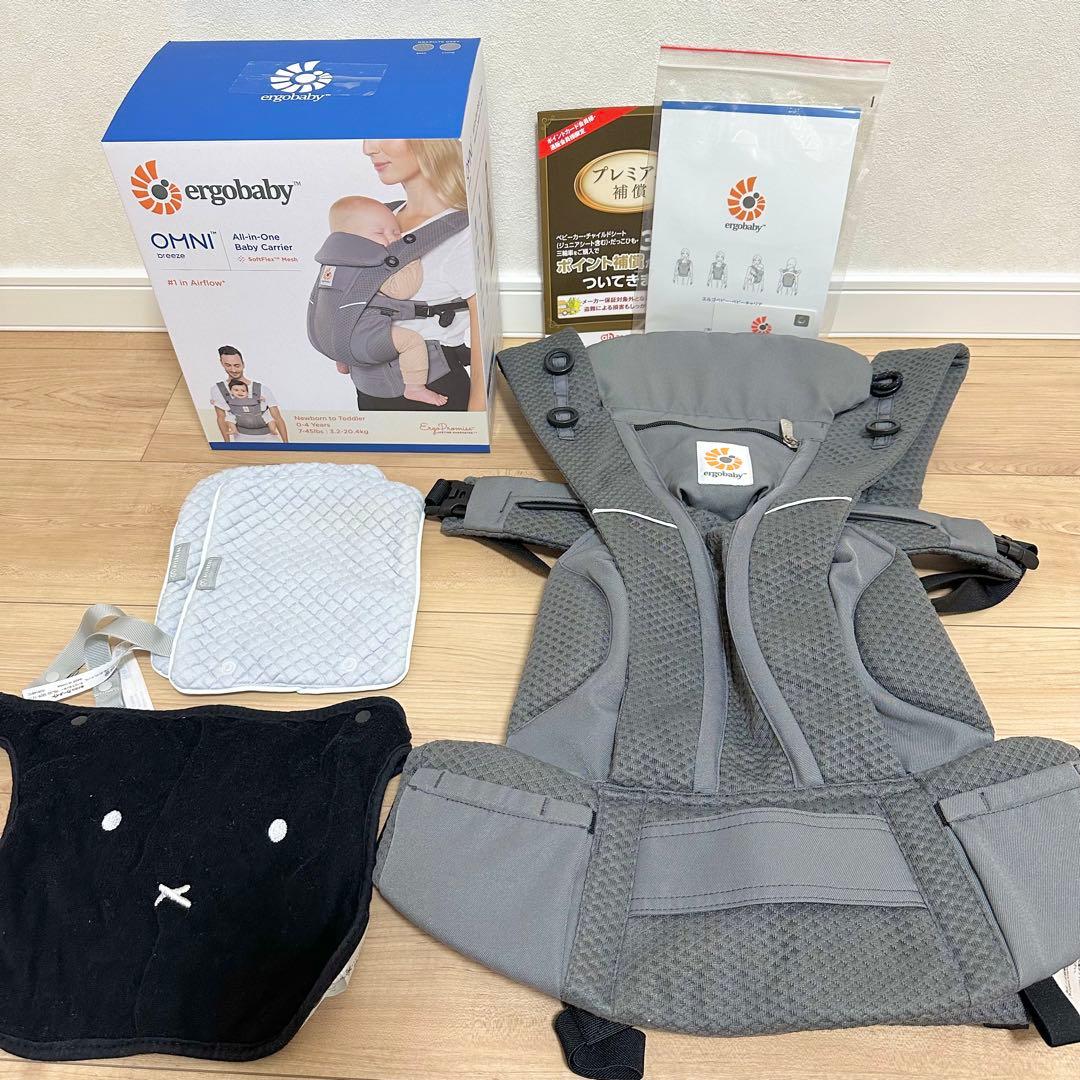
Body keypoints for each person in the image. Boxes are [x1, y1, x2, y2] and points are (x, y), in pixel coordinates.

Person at [344, 138, 483, 412]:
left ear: (430, 140)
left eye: (386, 133)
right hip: (368, 384)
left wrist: (477, 414)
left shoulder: (462, 233)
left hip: (433, 387)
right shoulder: (381, 217)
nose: (368, 148)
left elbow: (485, 332)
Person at [326, 196, 447, 406]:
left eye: (396, 232)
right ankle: (415, 388)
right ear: (350, 238)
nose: (393, 239)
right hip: (364, 332)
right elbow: (401, 290)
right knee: (412, 342)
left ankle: (343, 362)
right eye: (380, 233)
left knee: (339, 325)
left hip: (337, 334)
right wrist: (412, 257)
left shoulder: (333, 262)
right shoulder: (369, 264)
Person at [210, 346, 288, 443]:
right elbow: (221, 418)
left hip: (269, 438)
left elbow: (277, 417)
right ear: (222, 363)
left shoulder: (262, 389)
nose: (233, 370)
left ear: (243, 364)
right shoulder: (217, 389)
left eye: (237, 365)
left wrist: (286, 444)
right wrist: (227, 444)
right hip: (241, 438)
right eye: (228, 365)